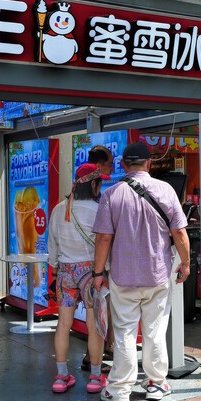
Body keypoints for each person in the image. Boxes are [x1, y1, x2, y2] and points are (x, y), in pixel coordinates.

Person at [92, 141, 191, 401]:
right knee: (155, 330)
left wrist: (98, 273)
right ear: (149, 164)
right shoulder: (166, 190)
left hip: (123, 276)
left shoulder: (111, 194)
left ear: (123, 165)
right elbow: (180, 233)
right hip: (157, 274)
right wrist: (185, 262)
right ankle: (156, 384)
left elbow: (103, 239)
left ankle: (120, 390)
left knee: (124, 331)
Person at [47, 163, 110, 394]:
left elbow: (51, 245)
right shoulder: (98, 210)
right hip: (91, 276)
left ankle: (61, 377)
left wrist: (54, 269)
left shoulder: (59, 209)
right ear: (94, 184)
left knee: (63, 325)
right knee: (95, 327)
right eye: (100, 182)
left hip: (65, 273)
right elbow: (105, 244)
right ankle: (95, 378)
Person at [81, 145, 115, 373]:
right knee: (99, 312)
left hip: (90, 266)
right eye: (110, 163)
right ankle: (91, 357)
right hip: (97, 268)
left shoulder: (72, 202)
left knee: (106, 309)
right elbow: (103, 237)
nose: (113, 168)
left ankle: (108, 348)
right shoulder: (96, 202)